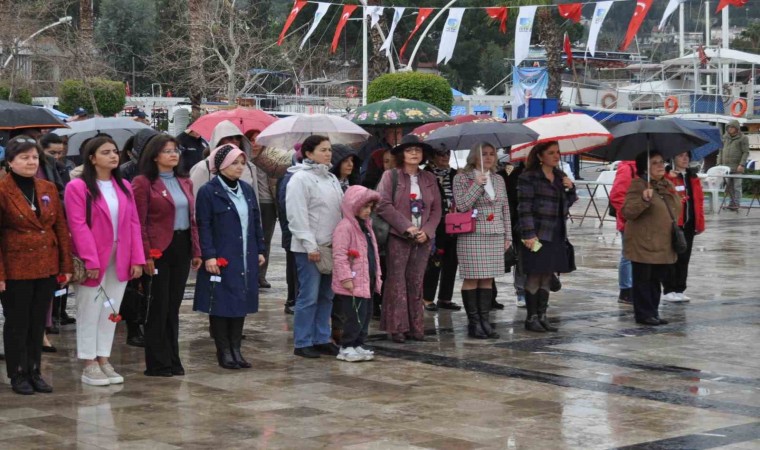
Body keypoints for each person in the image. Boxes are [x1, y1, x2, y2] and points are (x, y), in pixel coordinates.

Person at [64, 136, 145, 386]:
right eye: (106, 152)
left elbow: (133, 223)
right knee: (89, 309)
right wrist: (90, 259)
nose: (113, 156)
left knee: (111, 309)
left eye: (115, 151)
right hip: (94, 258)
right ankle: (89, 362)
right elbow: (78, 226)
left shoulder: (123, 186)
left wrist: (137, 257)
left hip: (120, 257)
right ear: (92, 158)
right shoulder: (78, 187)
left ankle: (103, 357)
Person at [0, 136, 73, 395]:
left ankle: (34, 370)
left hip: (46, 264)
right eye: (24, 158)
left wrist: (65, 265)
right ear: (10, 162)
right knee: (17, 322)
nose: (30, 162)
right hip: (15, 266)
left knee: (37, 322)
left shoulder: (47, 187)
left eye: (34, 157)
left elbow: (60, 228)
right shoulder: (2, 189)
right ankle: (17, 373)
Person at [133, 135, 202, 376]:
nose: (173, 155)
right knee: (158, 305)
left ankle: (173, 357)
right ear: (154, 156)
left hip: (181, 246)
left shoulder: (185, 181)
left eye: (175, 150)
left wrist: (196, 250)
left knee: (173, 306)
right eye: (167, 151)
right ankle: (157, 361)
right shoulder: (143, 183)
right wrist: (145, 255)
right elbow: (139, 222)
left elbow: (192, 219)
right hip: (157, 249)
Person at [194, 144, 266, 369]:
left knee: (240, 301)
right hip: (222, 254)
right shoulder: (209, 191)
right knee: (221, 302)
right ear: (221, 164)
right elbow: (203, 225)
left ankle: (236, 349)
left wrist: (260, 249)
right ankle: (224, 350)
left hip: (244, 253)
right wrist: (209, 255)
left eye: (242, 163)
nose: (240, 167)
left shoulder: (245, 189)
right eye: (234, 163)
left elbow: (255, 221)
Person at [375, 135, 441, 343]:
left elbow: (437, 209)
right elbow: (383, 205)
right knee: (396, 282)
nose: (414, 153)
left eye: (418, 150)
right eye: (409, 150)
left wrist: (427, 231)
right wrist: (407, 227)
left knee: (416, 281)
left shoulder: (429, 178)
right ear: (401, 154)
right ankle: (397, 327)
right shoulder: (390, 176)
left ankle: (416, 326)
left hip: (423, 238)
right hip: (399, 236)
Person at [286, 135, 343, 358]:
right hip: (309, 247)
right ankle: (302, 341)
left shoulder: (330, 178)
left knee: (326, 295)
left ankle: (321, 337)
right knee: (308, 296)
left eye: (329, 149)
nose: (328, 153)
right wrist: (310, 245)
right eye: (323, 150)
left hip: (331, 245)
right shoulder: (299, 179)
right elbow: (297, 215)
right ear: (309, 153)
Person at [453, 143, 511, 339]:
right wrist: (477, 184)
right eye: (483, 154)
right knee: (472, 277)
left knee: (488, 278)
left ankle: (485, 321)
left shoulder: (499, 179)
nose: (488, 157)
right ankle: (474, 322)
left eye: (492, 154)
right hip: (472, 234)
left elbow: (505, 209)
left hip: (495, 233)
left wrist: (507, 235)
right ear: (474, 157)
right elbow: (461, 205)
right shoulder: (462, 178)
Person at [518, 141, 577, 333]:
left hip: (556, 233)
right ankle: (531, 317)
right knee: (535, 273)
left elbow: (566, 205)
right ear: (540, 156)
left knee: (547, 274)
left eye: (558, 152)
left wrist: (570, 189)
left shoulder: (560, 177)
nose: (556, 156)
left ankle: (542, 316)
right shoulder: (529, 178)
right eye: (551, 153)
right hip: (536, 234)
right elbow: (524, 207)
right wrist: (529, 234)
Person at [622, 151, 681, 326]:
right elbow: (627, 212)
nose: (661, 165)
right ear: (645, 167)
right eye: (655, 163)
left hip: (663, 242)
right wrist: (643, 199)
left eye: (662, 161)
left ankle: (653, 312)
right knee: (643, 280)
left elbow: (675, 207)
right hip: (644, 242)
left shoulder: (666, 184)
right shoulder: (638, 185)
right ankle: (643, 314)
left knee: (656, 279)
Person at [331, 185, 382, 362]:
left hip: (366, 279)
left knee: (365, 315)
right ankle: (347, 345)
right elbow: (339, 254)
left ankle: (359, 343)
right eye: (364, 207)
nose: (368, 211)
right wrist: (345, 277)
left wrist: (377, 275)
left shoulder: (366, 227)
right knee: (353, 316)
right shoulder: (345, 227)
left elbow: (372, 252)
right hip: (353, 282)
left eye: (370, 207)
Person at [422, 148, 461, 312]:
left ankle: (445, 298)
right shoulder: (426, 174)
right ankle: (427, 297)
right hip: (435, 223)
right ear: (432, 156)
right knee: (434, 260)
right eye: (440, 153)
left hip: (455, 221)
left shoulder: (455, 174)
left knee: (452, 261)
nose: (445, 157)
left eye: (447, 153)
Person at [663, 152, 705, 303]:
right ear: (673, 158)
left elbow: (699, 201)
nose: (685, 158)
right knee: (672, 257)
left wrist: (700, 222)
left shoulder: (692, 177)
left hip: (689, 223)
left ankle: (680, 289)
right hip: (674, 223)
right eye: (680, 155)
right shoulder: (667, 175)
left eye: (687, 156)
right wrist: (669, 177)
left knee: (684, 257)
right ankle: (669, 289)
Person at [497, 159, 526, 308]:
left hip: (534, 223)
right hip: (515, 222)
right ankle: (521, 291)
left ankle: (537, 290)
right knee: (520, 257)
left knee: (532, 255)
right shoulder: (509, 173)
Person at [277, 146, 302, 315]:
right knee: (294, 266)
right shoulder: (290, 178)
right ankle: (292, 299)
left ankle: (294, 299)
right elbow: (286, 208)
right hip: (292, 232)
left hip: (295, 232)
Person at [609, 160, 638, 304]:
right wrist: (629, 214)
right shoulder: (627, 168)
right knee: (628, 255)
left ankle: (634, 287)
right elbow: (617, 195)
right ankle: (626, 290)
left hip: (643, 221)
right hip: (629, 220)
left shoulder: (645, 167)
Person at [717, 120, 749, 211]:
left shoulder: (743, 138)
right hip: (725, 167)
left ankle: (736, 203)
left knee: (737, 186)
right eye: (728, 127)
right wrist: (719, 164)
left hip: (737, 167)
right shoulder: (725, 137)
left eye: (732, 127)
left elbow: (745, 152)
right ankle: (731, 203)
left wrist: (741, 164)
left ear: (736, 128)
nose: (729, 129)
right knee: (728, 187)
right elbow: (721, 151)